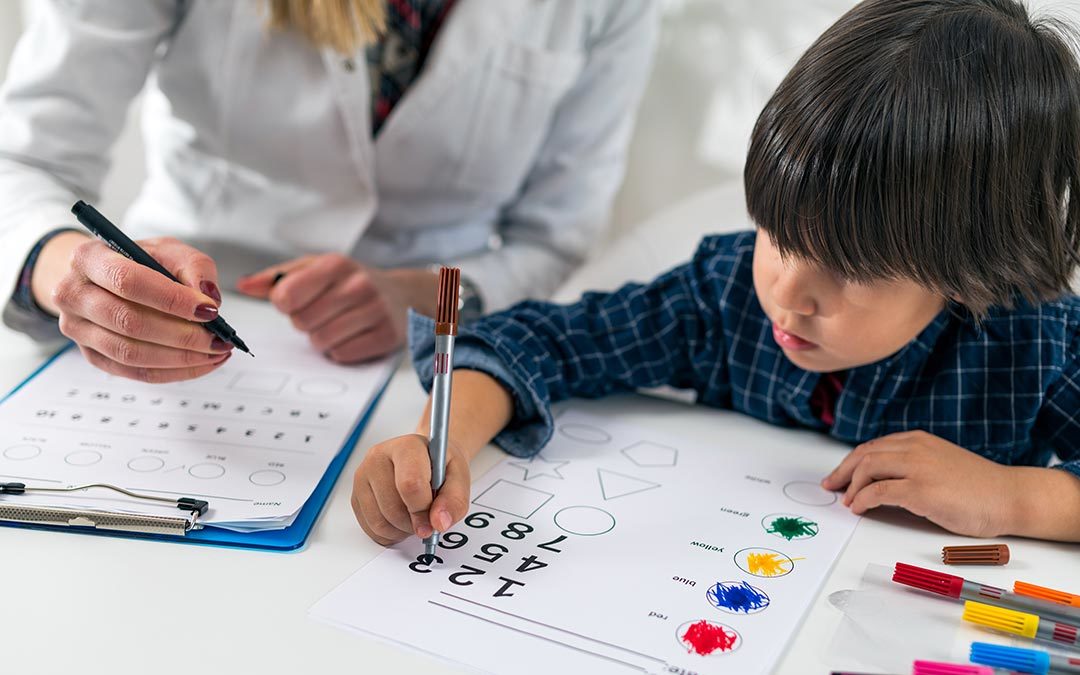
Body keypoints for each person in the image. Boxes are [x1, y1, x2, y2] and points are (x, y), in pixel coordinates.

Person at [351, 0, 1080, 545]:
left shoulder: (1036, 344)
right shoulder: (724, 293)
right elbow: (538, 342)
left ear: (966, 270)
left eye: (851, 271)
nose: (789, 297)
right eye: (780, 235)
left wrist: (1010, 497)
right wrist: (433, 443)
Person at [0, 0, 657, 382]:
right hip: (167, 331)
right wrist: (73, 272)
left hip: (429, 363)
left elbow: (556, 240)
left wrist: (423, 295)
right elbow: (23, 160)